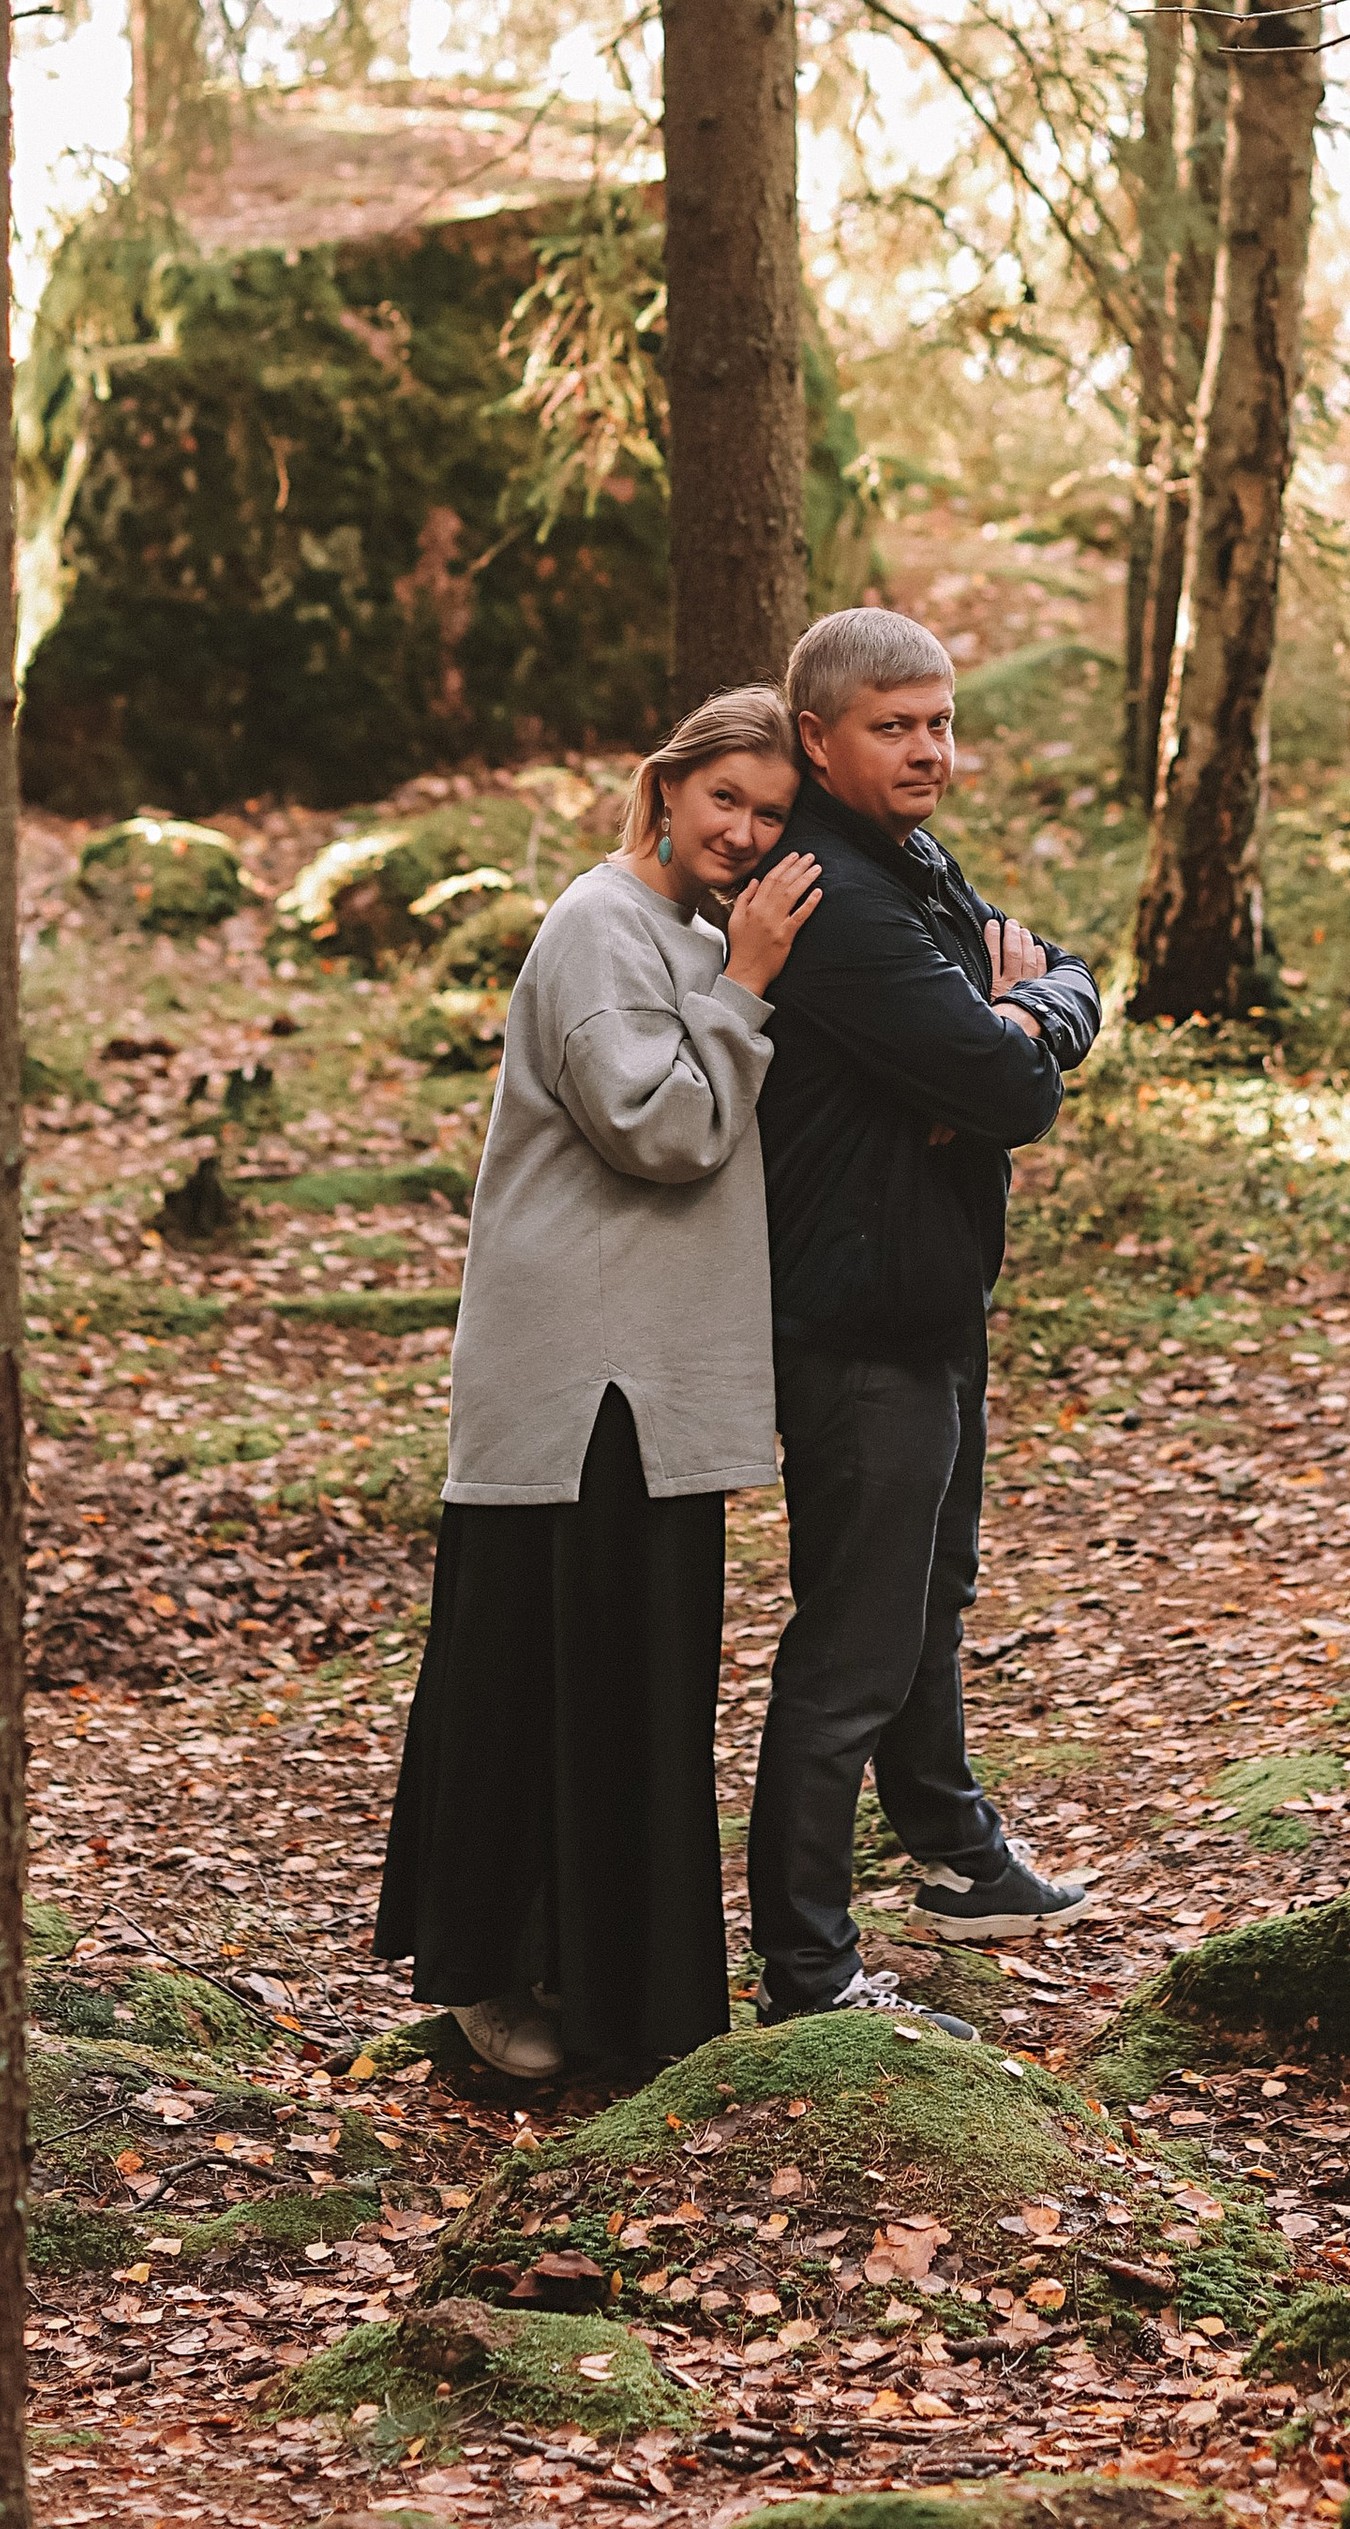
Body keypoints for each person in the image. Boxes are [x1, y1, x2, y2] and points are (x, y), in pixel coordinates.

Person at [373, 686, 821, 2082]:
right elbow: (664, 1128)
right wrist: (746, 984)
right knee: (543, 1677)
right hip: (579, 1386)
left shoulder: (685, 930)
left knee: (635, 1688)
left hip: (646, 1375)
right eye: (726, 802)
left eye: (772, 815)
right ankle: (492, 1976)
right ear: (665, 791)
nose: (746, 834)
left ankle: (618, 1998)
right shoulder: (599, 928)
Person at [747, 606, 1102, 2027]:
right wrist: (1008, 1042)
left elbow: (1058, 970)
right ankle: (808, 1974)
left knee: (932, 1599)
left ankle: (956, 1851)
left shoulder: (912, 863)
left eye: (941, 721)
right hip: (855, 1321)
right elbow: (1008, 1094)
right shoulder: (829, 892)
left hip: (935, 1294)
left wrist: (1029, 1015)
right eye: (894, 727)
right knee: (850, 1649)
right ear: (818, 739)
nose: (928, 749)